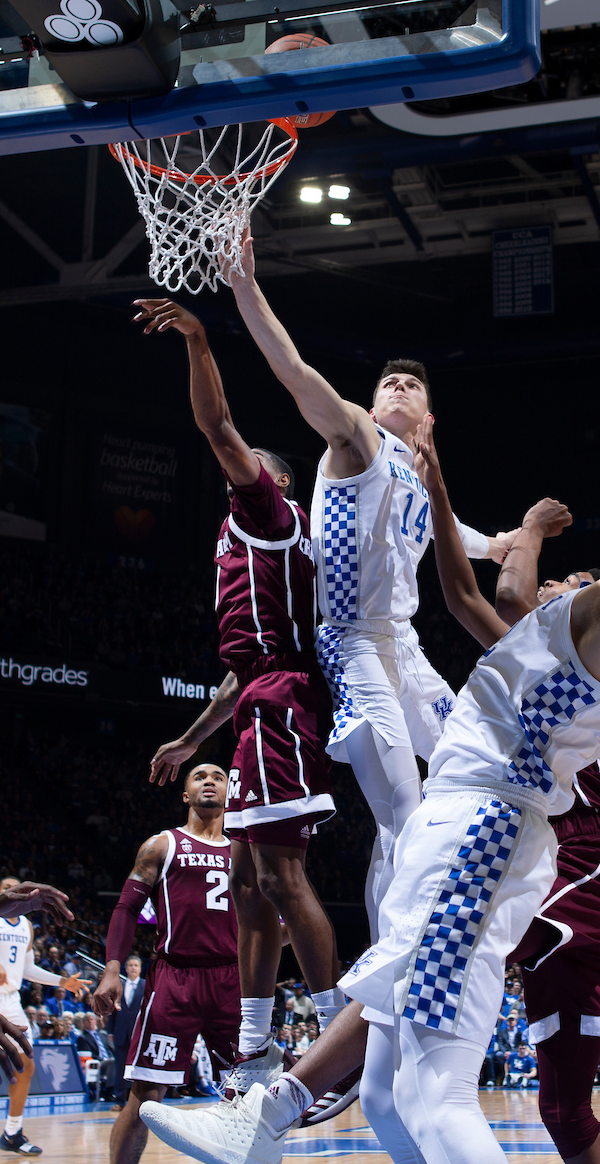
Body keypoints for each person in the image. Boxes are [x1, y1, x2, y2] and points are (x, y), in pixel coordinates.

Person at [140, 261, 600, 1164]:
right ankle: (272, 1109)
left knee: (439, 1095)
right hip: (465, 819)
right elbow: (467, 590)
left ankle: (270, 1105)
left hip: (484, 827)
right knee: (394, 1093)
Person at [225, 235, 515, 938]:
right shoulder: (357, 437)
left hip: (405, 650)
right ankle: (395, 960)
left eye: (412, 386)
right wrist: (244, 287)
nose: (398, 388)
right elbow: (295, 372)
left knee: (484, 764)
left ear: (430, 417)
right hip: (352, 648)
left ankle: (460, 921)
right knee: (402, 815)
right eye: (390, 384)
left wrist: (513, 541)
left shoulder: (421, 479)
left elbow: (470, 538)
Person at [136, 298, 342, 1093]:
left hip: (283, 701)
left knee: (282, 879)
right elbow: (238, 675)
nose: (238, 464)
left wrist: (197, 339)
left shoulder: (269, 511)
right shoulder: (240, 536)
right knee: (254, 884)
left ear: (277, 480)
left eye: (255, 462)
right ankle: (256, 1046)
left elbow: (217, 425)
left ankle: (337, 1038)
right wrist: (194, 738)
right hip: (262, 694)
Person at [91, 763, 242, 1164]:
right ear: (185, 794)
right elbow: (125, 908)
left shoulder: (246, 852)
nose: (209, 780)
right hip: (174, 978)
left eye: (218, 776)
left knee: (254, 1094)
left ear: (230, 792)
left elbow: (276, 923)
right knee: (145, 1095)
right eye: (199, 776)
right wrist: (113, 968)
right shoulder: (162, 844)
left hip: (233, 981)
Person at [0, 877, 89, 1155]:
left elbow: (27, 969)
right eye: (5, 889)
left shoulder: (26, 926)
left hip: (10, 1001)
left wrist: (62, 982)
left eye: (14, 888)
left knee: (26, 1066)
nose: (10, 892)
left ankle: (12, 1132)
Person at [107, 955, 145, 1110]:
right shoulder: (119, 985)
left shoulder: (146, 986)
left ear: (140, 968)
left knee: (139, 1068)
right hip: (121, 1032)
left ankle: (138, 1102)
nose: (133, 968)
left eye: (136, 965)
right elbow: (112, 1011)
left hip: (139, 1034)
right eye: (130, 965)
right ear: (126, 968)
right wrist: (110, 1031)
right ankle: (119, 1100)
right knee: (120, 1067)